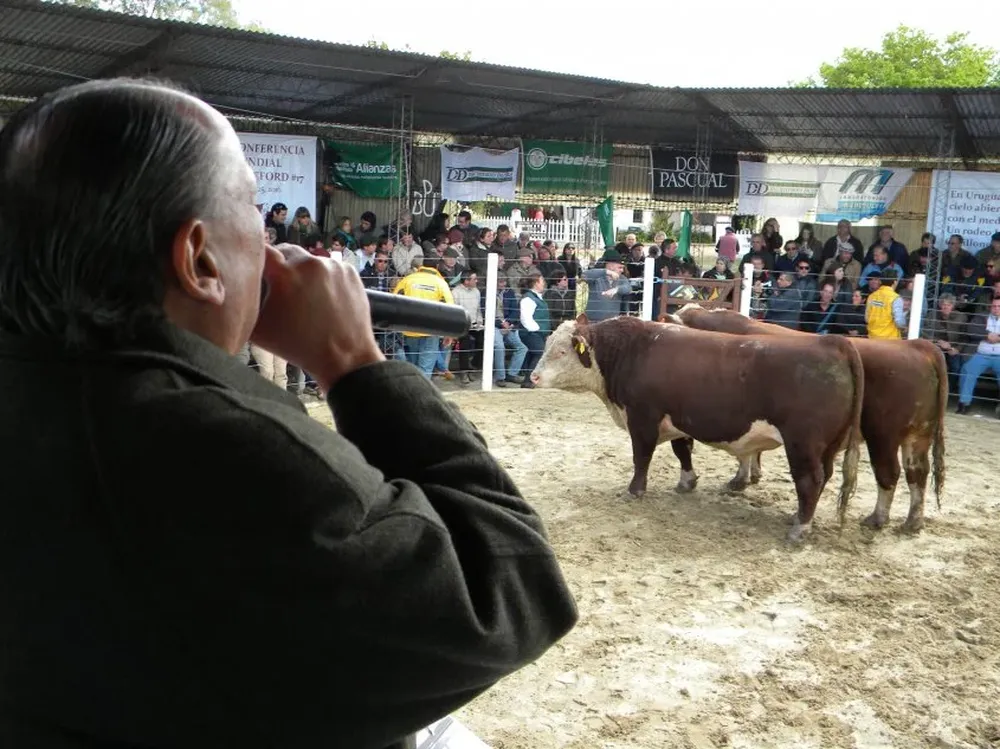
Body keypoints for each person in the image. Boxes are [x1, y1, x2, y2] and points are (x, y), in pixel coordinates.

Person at [0, 78, 578, 749]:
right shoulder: (224, 451)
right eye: (250, 207)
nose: (272, 242)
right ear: (198, 259)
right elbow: (513, 588)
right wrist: (356, 362)